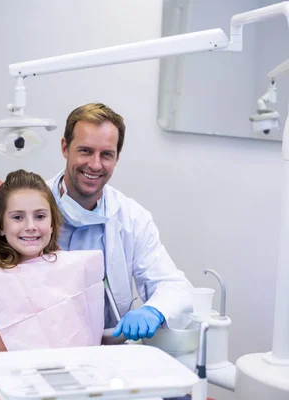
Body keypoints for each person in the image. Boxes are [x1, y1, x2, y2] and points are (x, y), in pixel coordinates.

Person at [47, 103, 194, 342]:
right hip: (39, 347)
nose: (95, 165)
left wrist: (153, 310)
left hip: (108, 349)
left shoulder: (132, 218)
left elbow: (174, 285)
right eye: (85, 151)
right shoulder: (29, 204)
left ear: (117, 157)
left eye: (106, 154)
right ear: (65, 147)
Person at [0, 169, 106, 354]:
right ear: (2, 226)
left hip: (84, 373)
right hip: (26, 379)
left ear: (52, 223)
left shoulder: (73, 267)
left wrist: (123, 334)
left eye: (40, 216)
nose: (30, 227)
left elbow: (90, 337)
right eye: (18, 217)